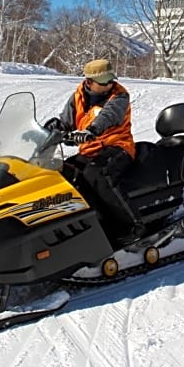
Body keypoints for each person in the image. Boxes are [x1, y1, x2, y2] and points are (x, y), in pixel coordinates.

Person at [44, 59, 143, 245]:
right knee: (64, 172)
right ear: (89, 82)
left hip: (117, 146)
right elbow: (66, 122)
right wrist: (48, 131)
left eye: (111, 80)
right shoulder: (78, 97)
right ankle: (91, 222)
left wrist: (91, 131)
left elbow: (109, 115)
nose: (110, 84)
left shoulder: (119, 96)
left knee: (98, 174)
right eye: (104, 82)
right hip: (91, 150)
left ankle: (132, 225)